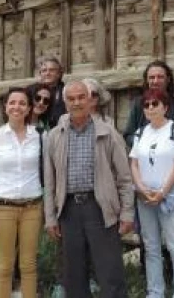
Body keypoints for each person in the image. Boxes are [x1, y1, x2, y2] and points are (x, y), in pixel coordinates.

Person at [43, 80, 135, 298]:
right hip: (68, 210)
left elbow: (124, 177)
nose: (77, 103)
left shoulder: (108, 133)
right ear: (65, 102)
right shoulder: (55, 136)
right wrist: (50, 217)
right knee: (73, 274)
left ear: (90, 100)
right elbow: (50, 181)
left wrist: (127, 212)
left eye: (81, 97)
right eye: (71, 99)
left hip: (100, 208)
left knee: (110, 271)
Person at [129, 89, 174, 298]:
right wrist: (141, 187)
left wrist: (163, 192)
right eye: (146, 105)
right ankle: (155, 291)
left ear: (165, 107)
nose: (150, 108)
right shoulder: (140, 133)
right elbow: (134, 163)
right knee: (151, 247)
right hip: (145, 197)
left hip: (170, 196)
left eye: (154, 104)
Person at [0, 87, 43, 298]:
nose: (17, 107)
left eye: (22, 103)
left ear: (29, 109)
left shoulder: (40, 137)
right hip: (3, 208)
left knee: (29, 265)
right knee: (5, 266)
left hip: (32, 207)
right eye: (12, 102)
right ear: (6, 107)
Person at [122, 61, 174, 167]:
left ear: (168, 79)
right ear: (147, 80)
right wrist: (146, 144)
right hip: (145, 168)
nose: (155, 81)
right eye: (151, 77)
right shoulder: (139, 105)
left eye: (160, 77)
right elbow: (128, 135)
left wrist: (168, 147)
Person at [37, 55, 67, 124]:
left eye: (52, 70)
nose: (47, 73)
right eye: (44, 70)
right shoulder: (32, 92)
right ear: (40, 74)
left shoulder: (66, 91)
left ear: (59, 73)